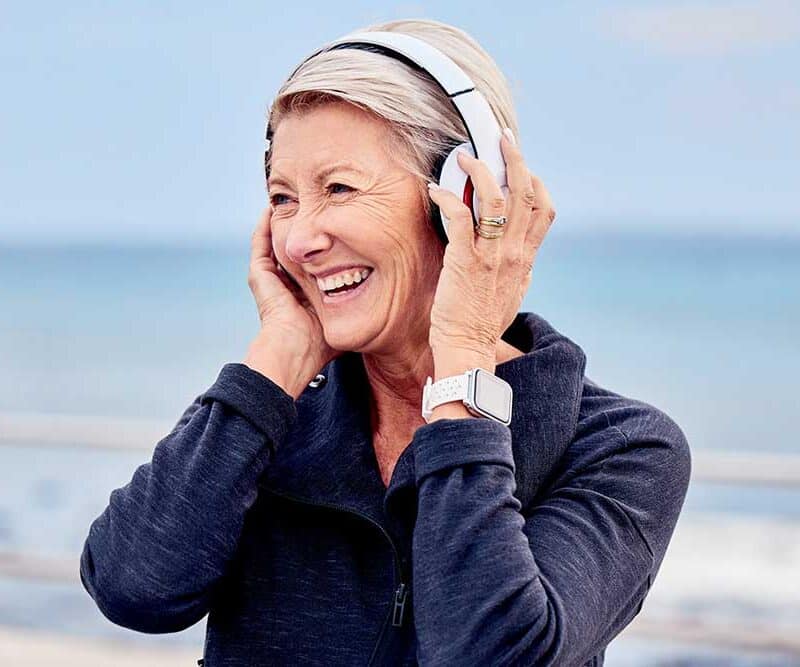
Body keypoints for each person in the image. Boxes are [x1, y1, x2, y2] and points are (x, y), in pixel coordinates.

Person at [79, 18, 691, 667]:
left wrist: (461, 359)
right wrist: (276, 359)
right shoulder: (271, 417)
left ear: (464, 195)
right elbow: (134, 589)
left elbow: (490, 655)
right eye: (282, 198)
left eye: (339, 188)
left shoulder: (620, 447)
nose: (299, 239)